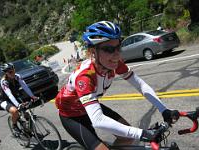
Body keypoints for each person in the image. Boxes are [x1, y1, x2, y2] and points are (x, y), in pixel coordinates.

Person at [55, 21, 179, 150]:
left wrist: (164, 109)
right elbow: (98, 120)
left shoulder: (114, 63)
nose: (116, 54)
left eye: (118, 47)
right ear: (93, 51)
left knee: (128, 137)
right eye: (109, 49)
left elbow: (140, 85)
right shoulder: (85, 77)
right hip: (71, 115)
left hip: (89, 105)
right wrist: (142, 134)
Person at [0, 63, 38, 136]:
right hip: (3, 100)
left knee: (27, 113)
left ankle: (29, 130)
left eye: (13, 70)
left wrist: (32, 96)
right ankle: (14, 125)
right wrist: (18, 105)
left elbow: (25, 87)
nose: (13, 73)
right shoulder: (4, 81)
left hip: (15, 97)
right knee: (15, 111)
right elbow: (9, 95)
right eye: (10, 72)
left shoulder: (17, 77)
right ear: (6, 73)